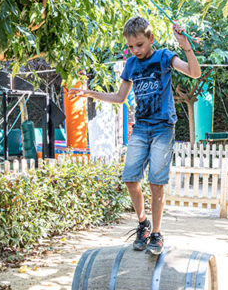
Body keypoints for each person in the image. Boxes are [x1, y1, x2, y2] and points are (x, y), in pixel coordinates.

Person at [68, 16, 201, 255]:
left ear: (150, 38)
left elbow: (194, 72)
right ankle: (143, 225)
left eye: (139, 45)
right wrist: (88, 93)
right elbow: (119, 97)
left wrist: (185, 45)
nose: (135, 50)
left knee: (156, 183)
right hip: (140, 127)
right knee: (130, 177)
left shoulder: (164, 57)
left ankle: (157, 235)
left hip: (162, 127)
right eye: (130, 46)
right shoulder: (130, 64)